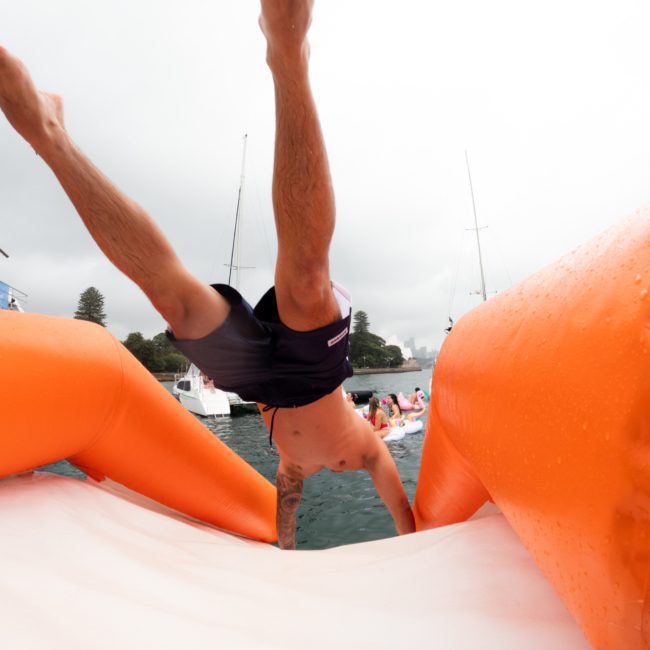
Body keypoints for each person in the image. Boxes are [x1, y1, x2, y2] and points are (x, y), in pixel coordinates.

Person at [0, 0, 415, 550]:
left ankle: (51, 137)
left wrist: (283, 553)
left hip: (262, 382)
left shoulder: (295, 469)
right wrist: (413, 546)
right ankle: (287, 51)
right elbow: (403, 516)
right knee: (308, 277)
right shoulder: (368, 449)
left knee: (179, 305)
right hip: (313, 372)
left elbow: (285, 507)